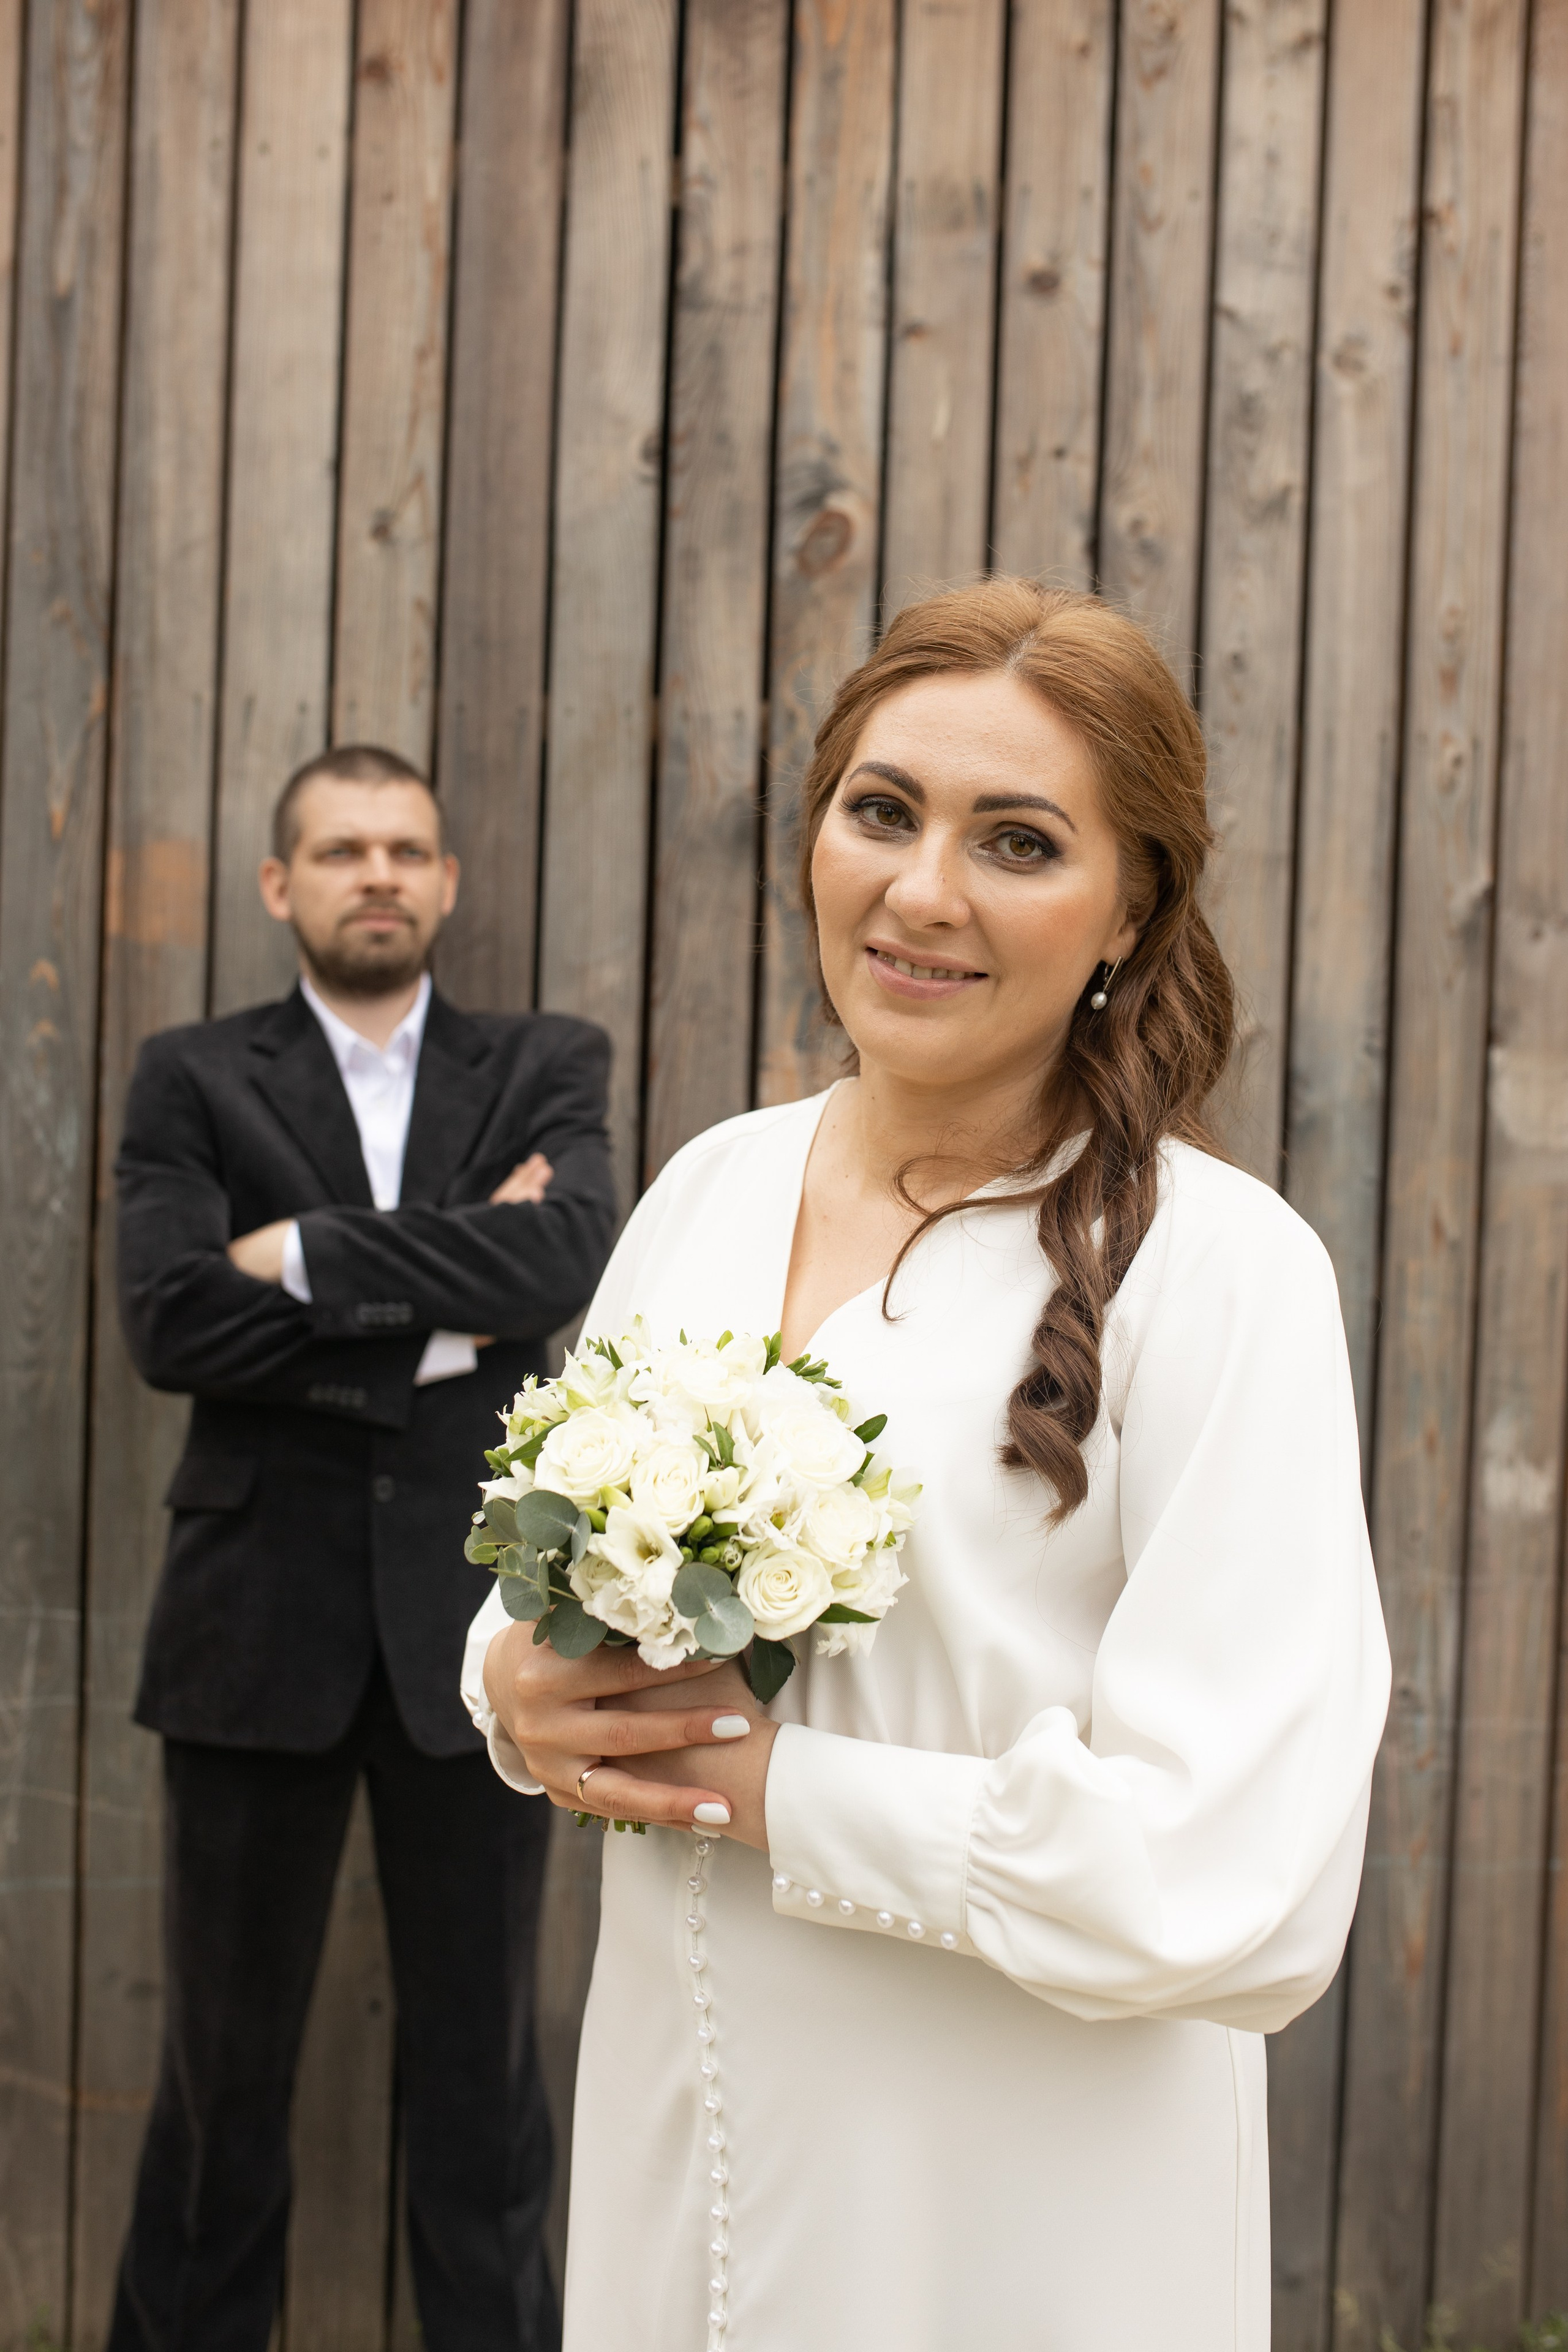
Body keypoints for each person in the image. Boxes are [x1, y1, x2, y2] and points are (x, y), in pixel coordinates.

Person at [466, 582, 1392, 2352]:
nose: (922, 891)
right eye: (881, 811)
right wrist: (516, 1687)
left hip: (1013, 2210)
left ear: (1133, 903)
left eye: (1019, 841)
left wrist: (783, 1796)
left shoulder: (1225, 1272)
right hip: (683, 2142)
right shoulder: (713, 1185)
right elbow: (539, 1574)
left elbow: (1238, 1875)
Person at [110, 745, 616, 2352]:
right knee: (218, 2090)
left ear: (449, 881)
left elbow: (565, 1261)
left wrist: (312, 1253)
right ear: (283, 887)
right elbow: (174, 1319)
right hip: (251, 1633)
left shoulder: (546, 1062)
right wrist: (450, 1320)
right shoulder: (193, 1077)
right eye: (341, 851)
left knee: (486, 2089)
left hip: (483, 1638)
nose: (378, 874)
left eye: (406, 848)